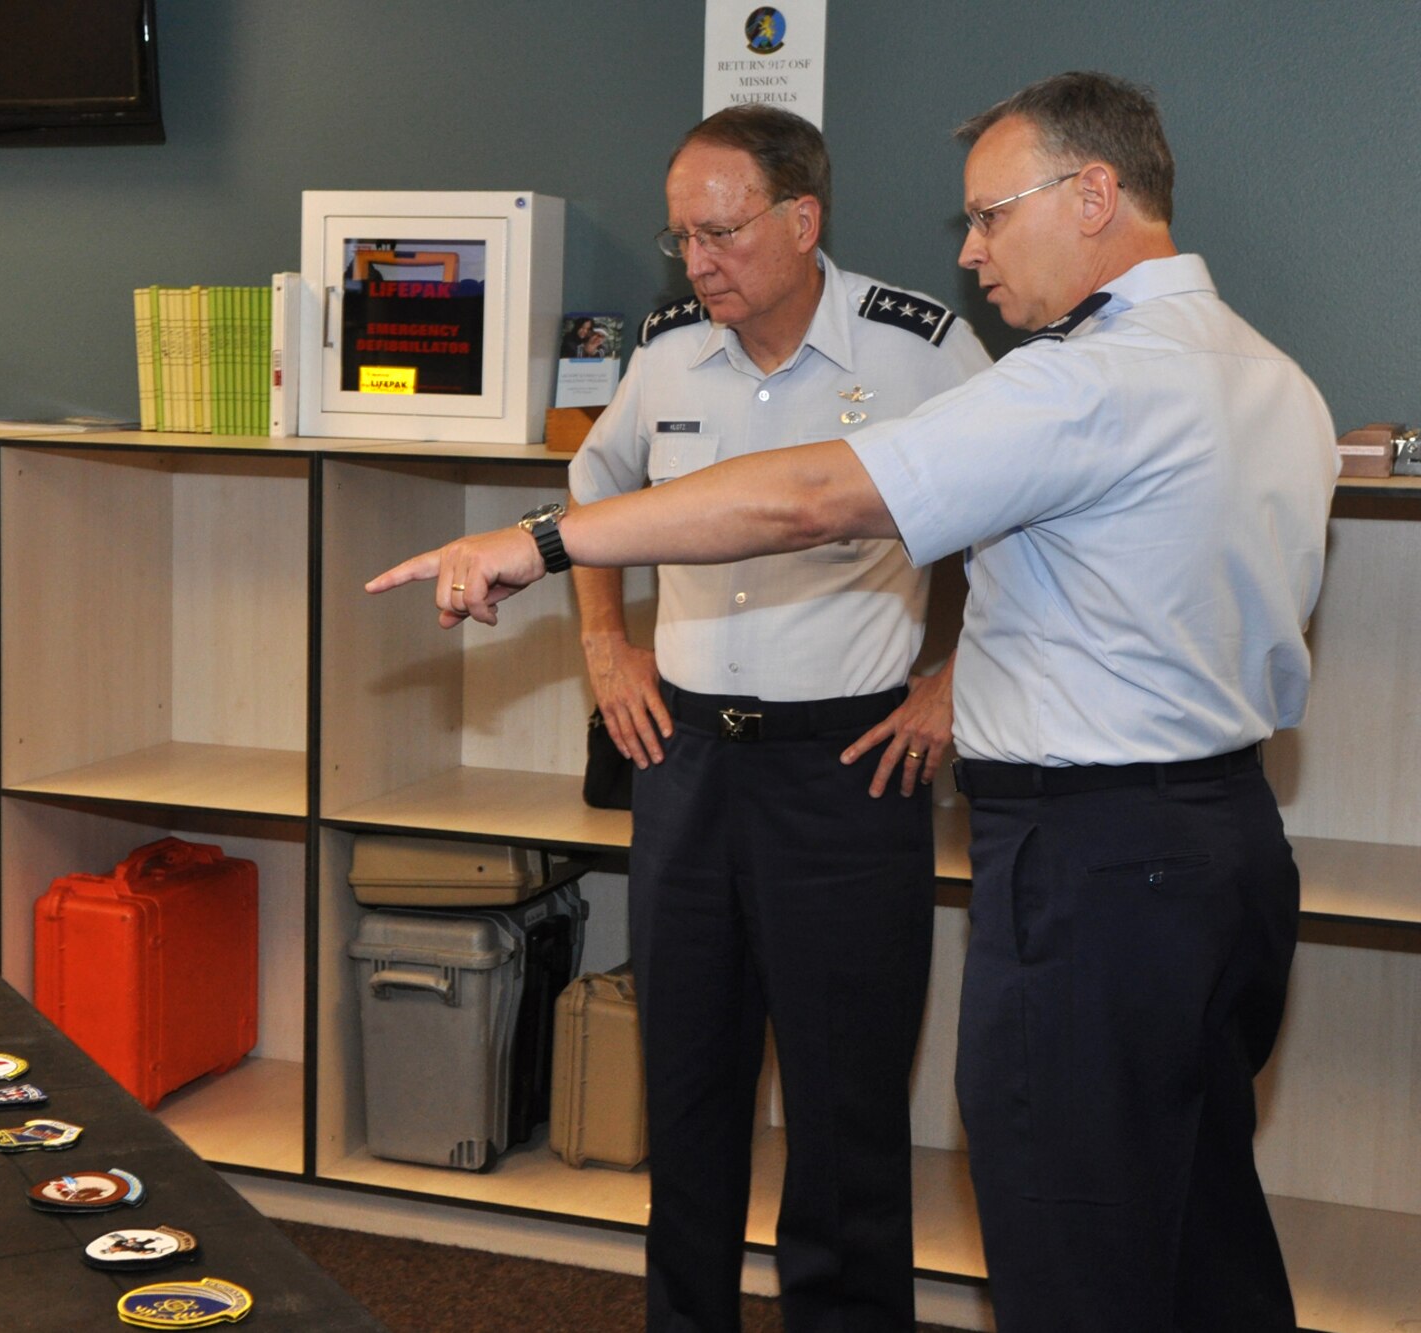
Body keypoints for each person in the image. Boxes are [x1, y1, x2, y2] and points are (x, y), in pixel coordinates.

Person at [368, 72, 1337, 1333]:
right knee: (1194, 1222)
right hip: (1217, 844)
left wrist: (536, 546)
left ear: (1094, 195)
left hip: (1084, 864)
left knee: (1069, 1249)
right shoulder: (1270, 376)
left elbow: (806, 498)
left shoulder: (1077, 380)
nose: (973, 250)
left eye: (991, 214)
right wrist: (605, 631)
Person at [567, 104, 988, 1333]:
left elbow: (1025, 525)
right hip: (689, 765)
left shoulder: (919, 350)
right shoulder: (664, 357)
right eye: (679, 236)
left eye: (721, 231)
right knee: (686, 1094)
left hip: (845, 772)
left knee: (844, 1110)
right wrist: (604, 643)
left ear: (802, 221)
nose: (694, 261)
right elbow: (590, 493)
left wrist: (953, 680)